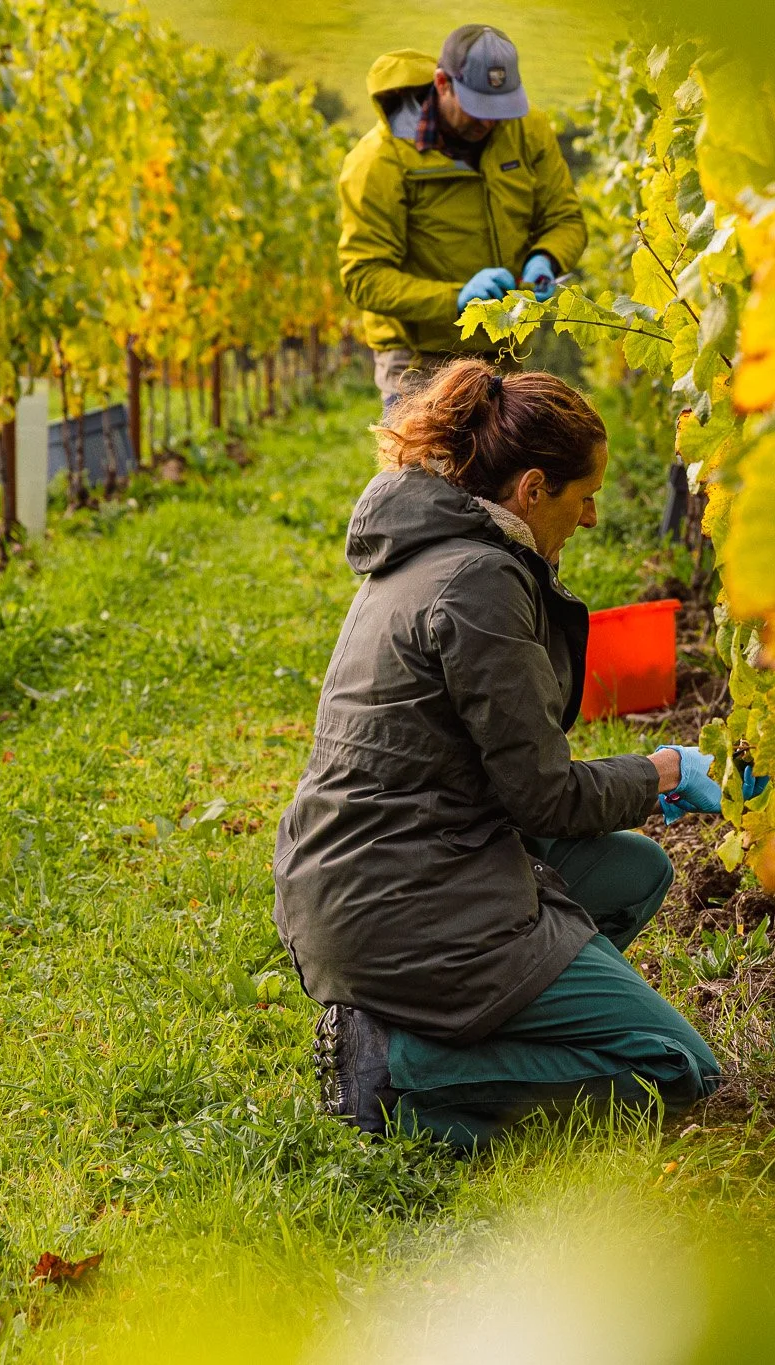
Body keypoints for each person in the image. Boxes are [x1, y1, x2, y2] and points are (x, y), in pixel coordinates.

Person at [272, 360, 723, 1151]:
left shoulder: (435, 547)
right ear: (533, 490)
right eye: (585, 498)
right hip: (401, 902)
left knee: (637, 872)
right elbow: (545, 798)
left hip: (390, 868)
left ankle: (447, 1028)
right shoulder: (477, 581)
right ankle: (399, 1071)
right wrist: (665, 770)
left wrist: (651, 778)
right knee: (673, 1067)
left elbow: (515, 772)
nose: (590, 520)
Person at [338, 25, 585, 416]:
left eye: (500, 109)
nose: (490, 123)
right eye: (479, 108)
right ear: (443, 84)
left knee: (498, 475)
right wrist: (455, 298)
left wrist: (547, 259)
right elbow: (363, 277)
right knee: (425, 476)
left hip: (502, 346)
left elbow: (565, 218)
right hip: (419, 360)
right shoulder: (378, 162)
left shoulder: (528, 130)